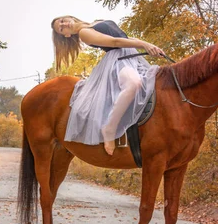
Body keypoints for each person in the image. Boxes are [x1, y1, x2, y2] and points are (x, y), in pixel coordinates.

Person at [51, 15, 164, 156]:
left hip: (131, 57)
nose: (64, 25)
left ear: (68, 17)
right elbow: (114, 42)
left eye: (62, 21)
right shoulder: (84, 33)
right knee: (134, 84)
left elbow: (126, 38)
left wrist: (150, 45)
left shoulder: (94, 22)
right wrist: (143, 45)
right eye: (61, 29)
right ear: (66, 35)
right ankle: (109, 129)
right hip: (118, 60)